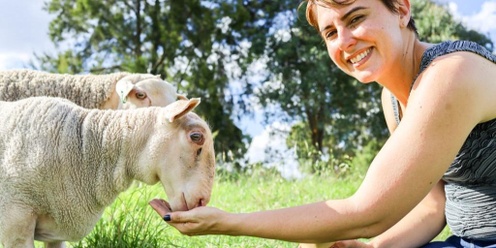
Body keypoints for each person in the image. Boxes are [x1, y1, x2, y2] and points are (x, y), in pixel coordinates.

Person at [149, 0, 496, 247]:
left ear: (402, 9)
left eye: (356, 17)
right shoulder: (393, 99)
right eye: (330, 32)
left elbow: (369, 212)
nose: (344, 42)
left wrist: (229, 223)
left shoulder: (451, 74)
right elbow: (433, 203)